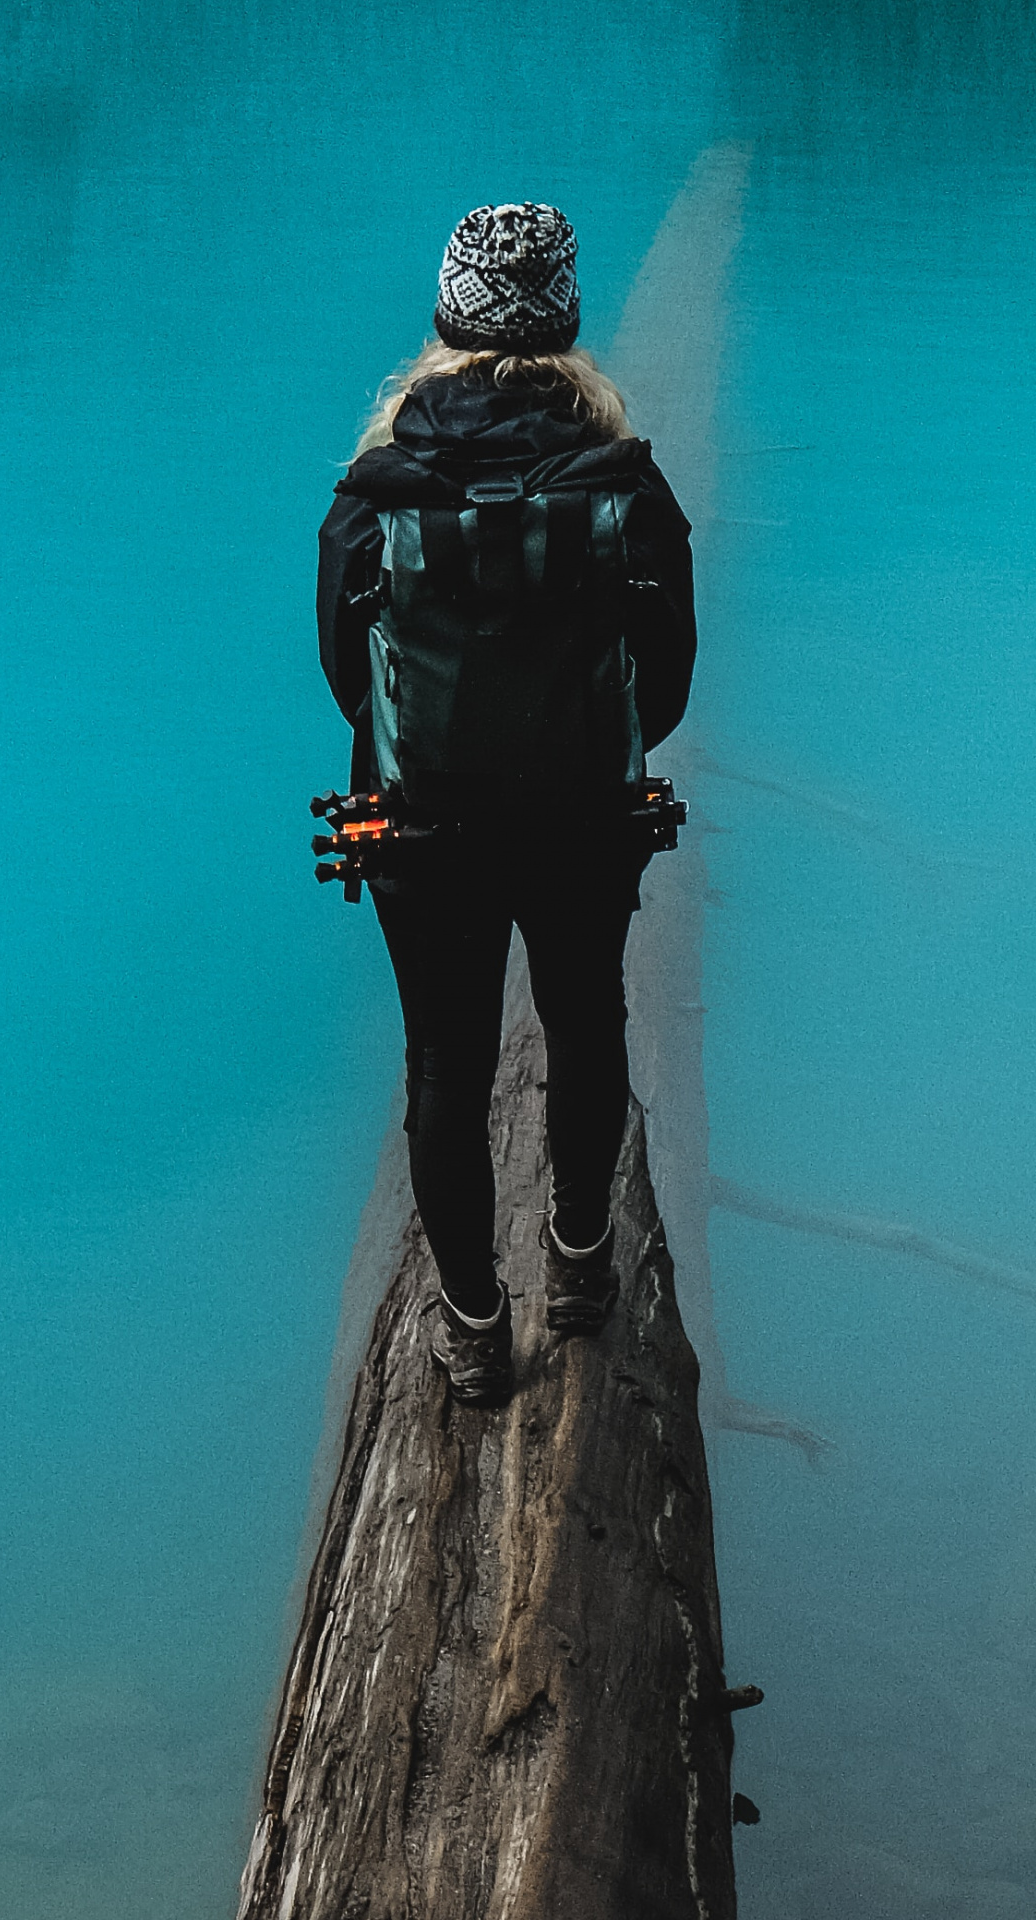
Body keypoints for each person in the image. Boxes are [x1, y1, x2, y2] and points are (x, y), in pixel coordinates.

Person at [318, 202, 697, 1406]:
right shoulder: (628, 488)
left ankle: (477, 1329)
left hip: (423, 832)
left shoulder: (371, 498)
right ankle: (581, 1267)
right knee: (585, 1025)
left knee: (445, 1064)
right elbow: (671, 684)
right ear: (567, 322)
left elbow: (345, 680)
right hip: (586, 823)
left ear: (447, 319)